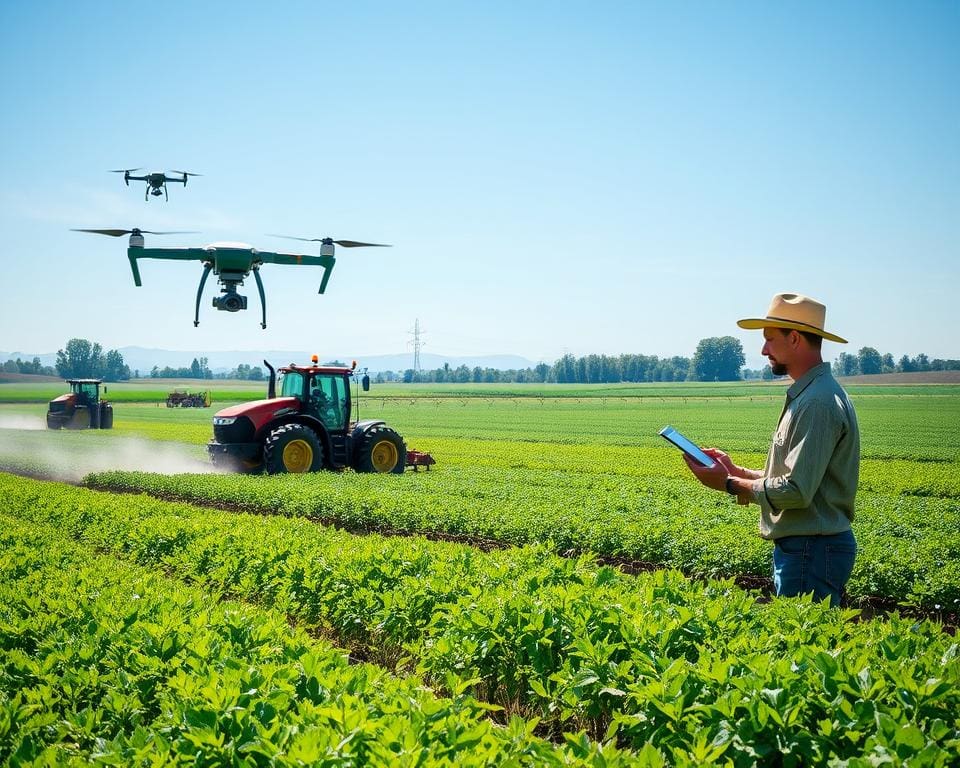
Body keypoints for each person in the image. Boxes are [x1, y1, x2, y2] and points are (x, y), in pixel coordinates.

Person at [682, 292, 859, 607]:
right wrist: (738, 472)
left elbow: (797, 490)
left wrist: (728, 483)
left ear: (793, 339)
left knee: (801, 647)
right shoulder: (813, 394)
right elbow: (799, 478)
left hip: (811, 550)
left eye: (769, 339)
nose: (763, 350)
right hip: (808, 548)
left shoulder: (817, 402)